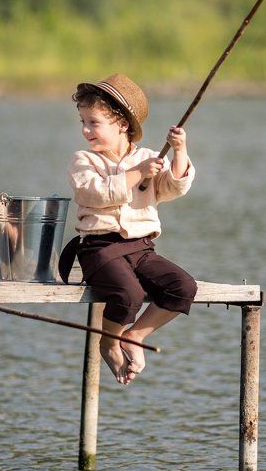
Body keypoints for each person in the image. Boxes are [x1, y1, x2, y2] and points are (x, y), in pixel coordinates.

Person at [63, 73, 197, 385]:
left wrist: (179, 151)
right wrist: (135, 175)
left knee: (183, 286)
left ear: (122, 124)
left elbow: (172, 188)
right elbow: (92, 193)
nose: (86, 130)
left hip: (141, 248)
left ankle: (134, 335)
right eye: (83, 121)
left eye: (94, 123)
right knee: (128, 293)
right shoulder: (83, 160)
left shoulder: (150, 157)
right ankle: (108, 342)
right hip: (100, 248)